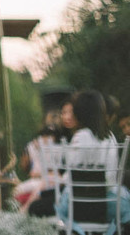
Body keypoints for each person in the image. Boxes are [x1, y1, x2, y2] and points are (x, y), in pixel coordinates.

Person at [54, 90, 130, 232]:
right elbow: (111, 179)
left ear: (79, 113)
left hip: (79, 207)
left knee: (61, 205)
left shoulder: (79, 138)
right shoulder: (110, 138)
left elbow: (72, 178)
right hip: (108, 205)